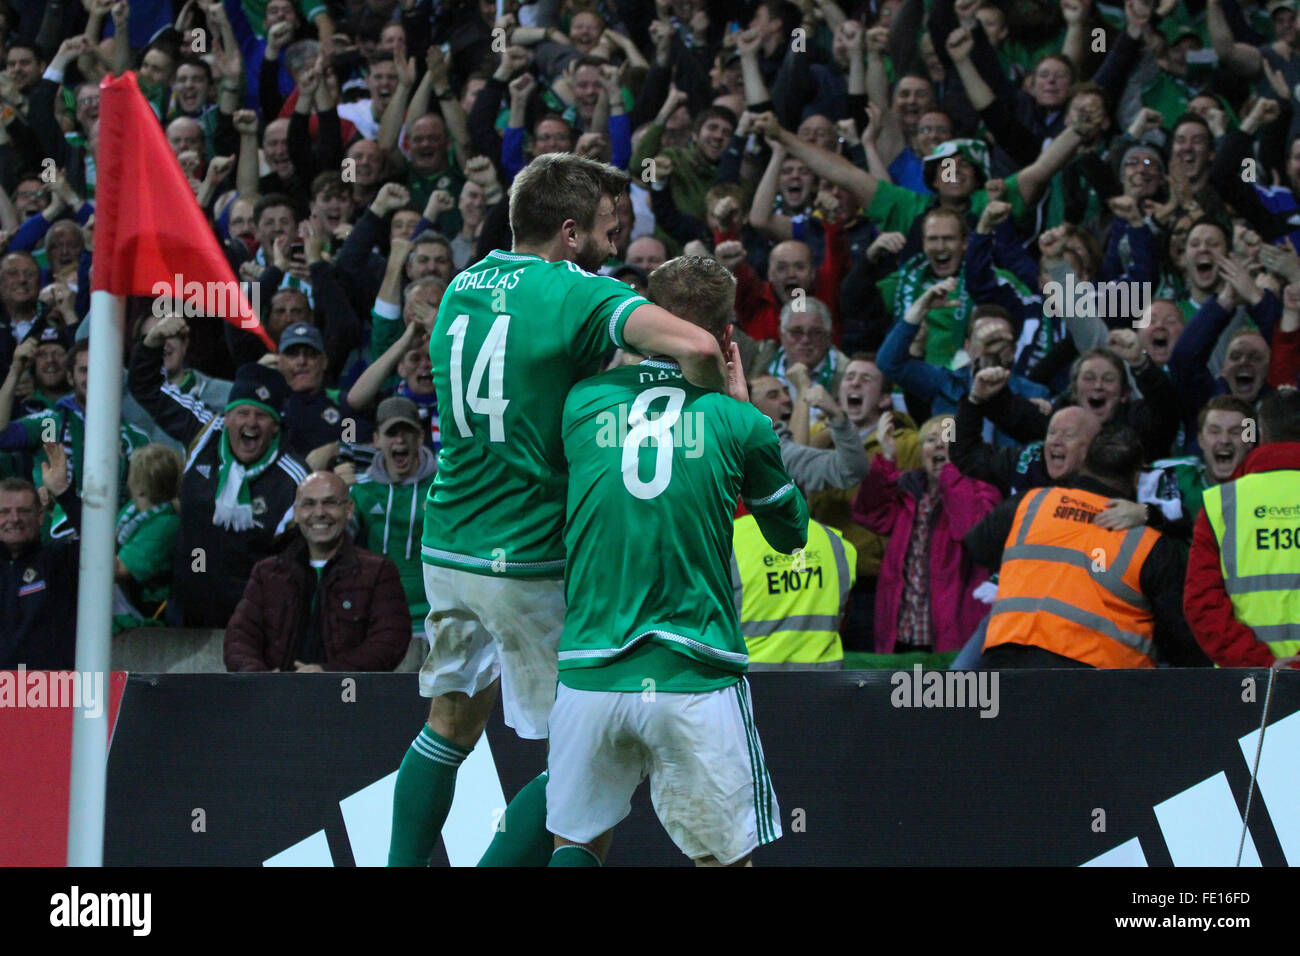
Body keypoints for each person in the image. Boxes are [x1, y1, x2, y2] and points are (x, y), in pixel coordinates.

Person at [388, 152, 730, 868]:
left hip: (449, 543)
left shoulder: (460, 285)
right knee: (593, 761)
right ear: (569, 233)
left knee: (449, 725)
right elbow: (697, 344)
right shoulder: (578, 291)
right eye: (607, 231)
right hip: (528, 557)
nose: (613, 247)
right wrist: (711, 411)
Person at [547, 255, 807, 865]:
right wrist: (743, 413)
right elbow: (790, 534)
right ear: (726, 338)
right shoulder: (738, 421)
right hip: (695, 672)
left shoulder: (581, 402)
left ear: (652, 320)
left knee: (576, 845)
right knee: (724, 858)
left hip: (591, 667)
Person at [966, 425, 1210, 669]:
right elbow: (1180, 639)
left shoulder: (1030, 503)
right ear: (1136, 477)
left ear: (1084, 462)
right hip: (1095, 683)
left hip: (1006, 664)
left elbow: (977, 546)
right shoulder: (1148, 543)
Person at [128, 316, 308, 628]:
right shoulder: (204, 432)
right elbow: (145, 386)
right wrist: (152, 343)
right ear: (226, 417)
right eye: (241, 413)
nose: (250, 423)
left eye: (261, 416)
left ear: (276, 427)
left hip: (253, 626)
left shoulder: (295, 478)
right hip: (184, 615)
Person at [225, 470, 411, 672]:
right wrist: (260, 677)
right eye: (309, 504)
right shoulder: (267, 573)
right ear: (296, 513)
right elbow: (239, 638)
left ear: (349, 510)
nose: (319, 512)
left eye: (330, 502)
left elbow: (390, 641)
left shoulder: (378, 572)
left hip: (349, 698)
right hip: (276, 698)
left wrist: (328, 673)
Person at [852, 414, 1001, 655]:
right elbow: (867, 513)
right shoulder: (907, 491)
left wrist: (951, 473)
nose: (940, 445)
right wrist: (886, 460)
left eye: (949, 440)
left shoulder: (984, 492)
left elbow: (969, 528)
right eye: (931, 440)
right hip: (899, 634)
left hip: (951, 640)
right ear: (922, 451)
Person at [1186, 389, 1300, 667]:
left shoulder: (1221, 503)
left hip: (1246, 685)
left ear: (1260, 433)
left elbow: (1202, 604)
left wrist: (1260, 664)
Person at [348, 397, 437, 640]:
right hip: (380, 619)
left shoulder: (443, 487)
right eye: (391, 433)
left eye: (407, 432)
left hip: (436, 620)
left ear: (419, 437)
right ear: (376, 440)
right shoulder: (359, 489)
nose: (399, 440)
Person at [0, 468, 80, 669]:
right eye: (4, 512)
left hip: (48, 693)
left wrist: (65, 493)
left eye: (24, 511)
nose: (14, 518)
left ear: (40, 517)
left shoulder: (61, 560)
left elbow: (100, 544)